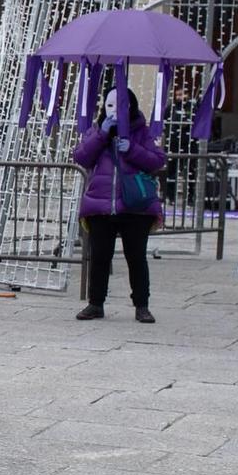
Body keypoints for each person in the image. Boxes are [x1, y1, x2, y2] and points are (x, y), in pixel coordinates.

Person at [73, 87, 167, 324]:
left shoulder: (141, 132)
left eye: (120, 105)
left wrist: (132, 149)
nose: (114, 111)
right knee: (100, 256)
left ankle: (142, 305)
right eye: (109, 105)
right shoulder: (97, 129)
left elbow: (157, 161)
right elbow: (82, 157)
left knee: (136, 256)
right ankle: (96, 303)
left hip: (134, 206)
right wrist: (101, 135)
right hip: (101, 204)